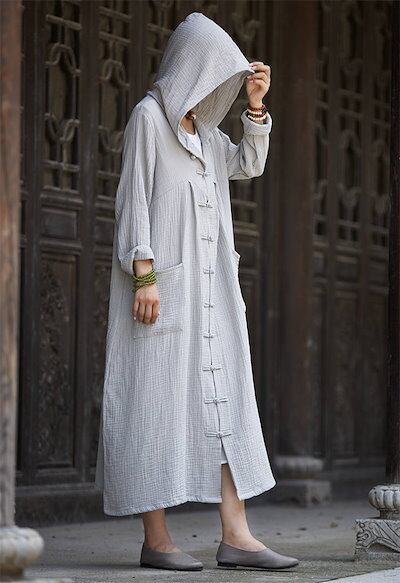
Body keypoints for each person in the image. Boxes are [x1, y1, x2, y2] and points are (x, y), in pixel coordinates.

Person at [95, 11, 299, 572]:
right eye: (213, 74)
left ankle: (237, 536)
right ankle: (156, 538)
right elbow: (134, 198)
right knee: (154, 401)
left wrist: (255, 107)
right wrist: (144, 275)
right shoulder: (148, 119)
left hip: (213, 295)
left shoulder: (207, 136)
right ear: (190, 67)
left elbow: (248, 164)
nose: (218, 88)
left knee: (224, 401)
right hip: (160, 293)